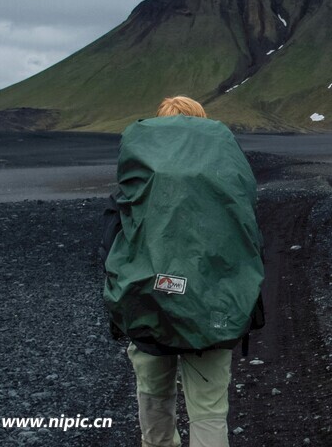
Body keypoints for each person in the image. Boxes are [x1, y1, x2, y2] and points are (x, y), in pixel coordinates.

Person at [102, 95, 263, 447]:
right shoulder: (229, 180)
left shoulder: (138, 182)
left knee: (154, 396)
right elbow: (249, 245)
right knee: (209, 410)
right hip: (212, 310)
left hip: (147, 304)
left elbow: (111, 243)